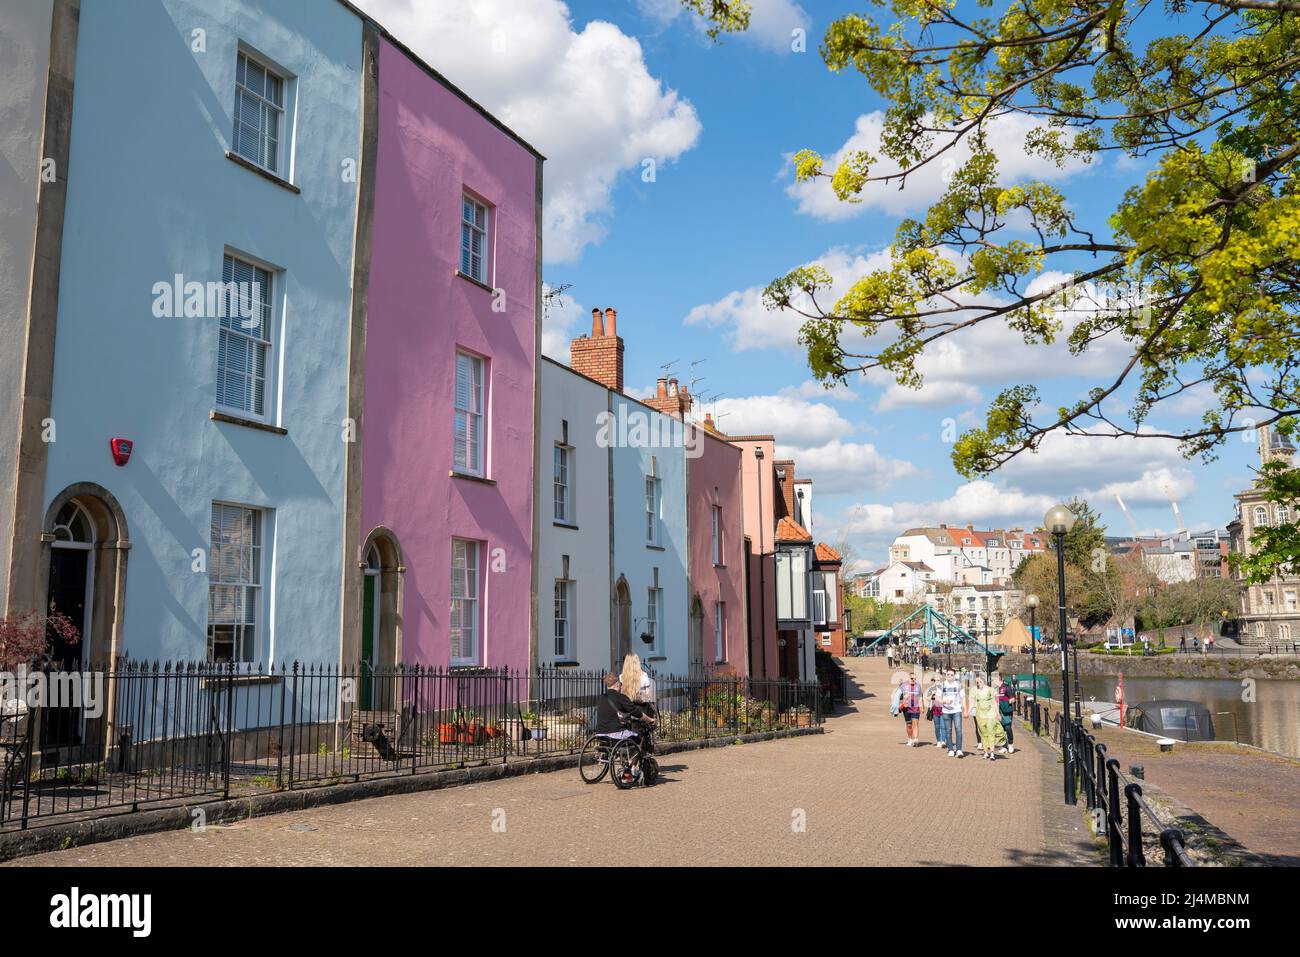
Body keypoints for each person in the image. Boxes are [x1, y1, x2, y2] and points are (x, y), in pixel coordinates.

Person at [969, 673, 1007, 759]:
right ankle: (986, 752)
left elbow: (995, 703)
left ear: (984, 682)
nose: (979, 684)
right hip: (980, 715)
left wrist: (998, 714)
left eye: (980, 682)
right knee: (983, 734)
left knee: (991, 732)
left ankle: (992, 753)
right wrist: (967, 712)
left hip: (990, 714)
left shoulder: (991, 690)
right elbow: (972, 703)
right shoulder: (975, 691)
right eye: (977, 682)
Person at [938, 669, 965, 757]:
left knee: (958, 729)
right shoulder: (941, 685)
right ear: (946, 675)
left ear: (954, 676)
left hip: (957, 710)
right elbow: (937, 698)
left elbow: (963, 697)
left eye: (951, 675)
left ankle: (959, 750)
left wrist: (965, 709)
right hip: (946, 711)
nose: (949, 676)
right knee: (948, 730)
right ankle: (950, 749)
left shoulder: (958, 685)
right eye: (948, 674)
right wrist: (944, 701)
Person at [994, 671, 1015, 754]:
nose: (994, 680)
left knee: (1007, 728)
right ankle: (1004, 746)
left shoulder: (1006, 687)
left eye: (995, 678)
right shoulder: (994, 689)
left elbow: (1013, 698)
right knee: (1000, 730)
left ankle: (1010, 744)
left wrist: (1007, 702)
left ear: (999, 678)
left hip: (1006, 711)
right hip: (997, 711)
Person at [900, 671, 923, 746]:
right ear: (908, 678)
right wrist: (902, 703)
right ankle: (910, 739)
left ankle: (916, 739)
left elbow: (920, 697)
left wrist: (921, 707)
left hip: (915, 707)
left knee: (915, 723)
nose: (913, 680)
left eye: (915, 678)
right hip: (906, 708)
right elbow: (898, 696)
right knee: (909, 725)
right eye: (912, 678)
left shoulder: (918, 686)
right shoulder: (903, 685)